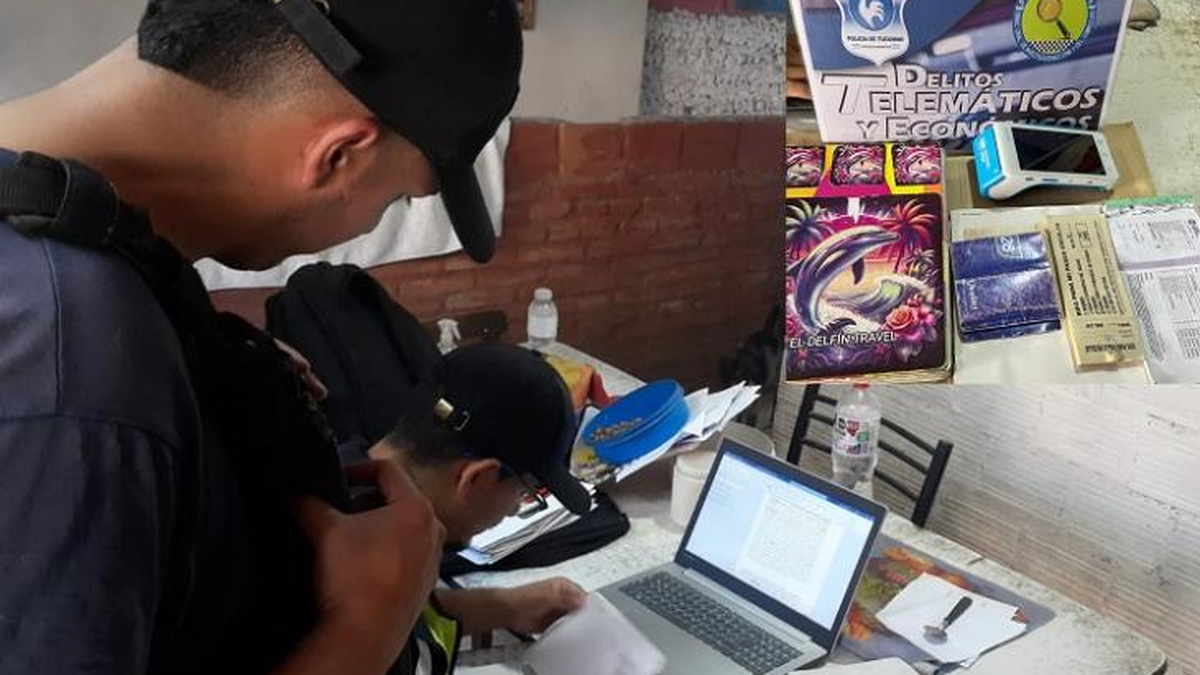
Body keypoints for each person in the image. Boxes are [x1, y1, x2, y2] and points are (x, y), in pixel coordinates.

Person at [0, 1, 528, 674]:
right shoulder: (77, 370)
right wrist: (368, 628)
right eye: (396, 198)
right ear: (338, 155)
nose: (371, 221)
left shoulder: (68, 236)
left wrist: (202, 357)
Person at [355, 342, 594, 675]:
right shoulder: (360, 587)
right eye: (523, 493)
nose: (513, 510)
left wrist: (508, 607)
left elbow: (410, 617)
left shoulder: (354, 499)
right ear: (478, 478)